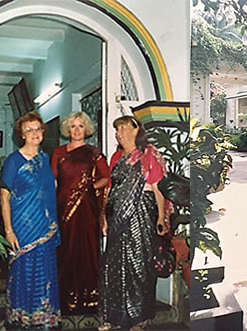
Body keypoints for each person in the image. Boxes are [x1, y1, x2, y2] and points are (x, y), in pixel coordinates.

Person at [98, 115, 169, 331]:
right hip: (116, 218)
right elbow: (109, 188)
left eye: (123, 128)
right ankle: (113, 317)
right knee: (113, 266)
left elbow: (158, 188)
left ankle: (139, 318)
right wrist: (103, 217)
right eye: (116, 129)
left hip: (142, 215)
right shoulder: (116, 157)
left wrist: (160, 217)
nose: (119, 133)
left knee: (139, 266)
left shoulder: (148, 154)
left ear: (136, 130)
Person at [0, 111, 61, 329]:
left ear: (43, 132)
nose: (34, 133)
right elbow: (4, 196)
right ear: (21, 134)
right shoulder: (13, 161)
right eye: (29, 129)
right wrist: (9, 230)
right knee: (23, 271)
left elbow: (50, 188)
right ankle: (22, 319)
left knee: (44, 270)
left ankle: (44, 319)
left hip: (44, 227)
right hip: (22, 226)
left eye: (38, 128)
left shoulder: (45, 159)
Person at [51, 111, 110, 313]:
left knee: (87, 251)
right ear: (68, 129)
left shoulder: (94, 153)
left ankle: (89, 298)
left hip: (86, 211)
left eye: (81, 126)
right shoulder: (58, 152)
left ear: (87, 129)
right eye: (73, 126)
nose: (77, 130)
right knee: (65, 251)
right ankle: (65, 297)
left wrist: (88, 188)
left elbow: (106, 177)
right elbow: (54, 181)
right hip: (62, 209)